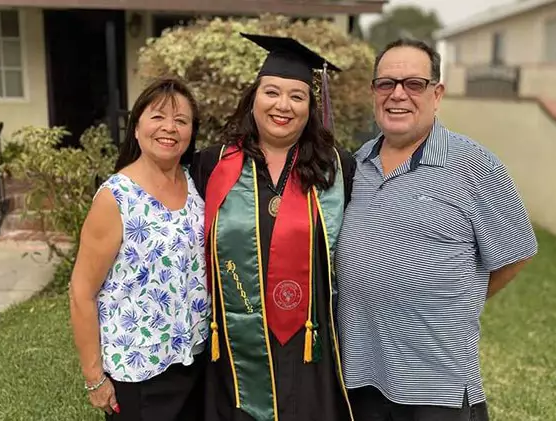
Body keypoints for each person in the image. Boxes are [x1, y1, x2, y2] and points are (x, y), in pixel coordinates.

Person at [335, 38, 539, 421]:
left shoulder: (474, 165)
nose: (398, 95)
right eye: (386, 83)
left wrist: (459, 300)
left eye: (414, 84)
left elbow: (518, 253)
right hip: (360, 378)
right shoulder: (355, 165)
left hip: (436, 386)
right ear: (373, 92)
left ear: (437, 93)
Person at [189, 33, 356, 421]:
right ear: (253, 99)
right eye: (272, 92)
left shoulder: (337, 169)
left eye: (297, 96)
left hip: (311, 346)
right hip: (234, 347)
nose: (283, 105)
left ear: (310, 107)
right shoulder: (212, 166)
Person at [68, 78, 210, 421]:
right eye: (158, 116)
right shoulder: (117, 197)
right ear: (136, 127)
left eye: (181, 120)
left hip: (194, 361)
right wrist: (94, 377)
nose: (169, 128)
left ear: (192, 132)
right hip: (138, 372)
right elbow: (81, 291)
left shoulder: (194, 185)